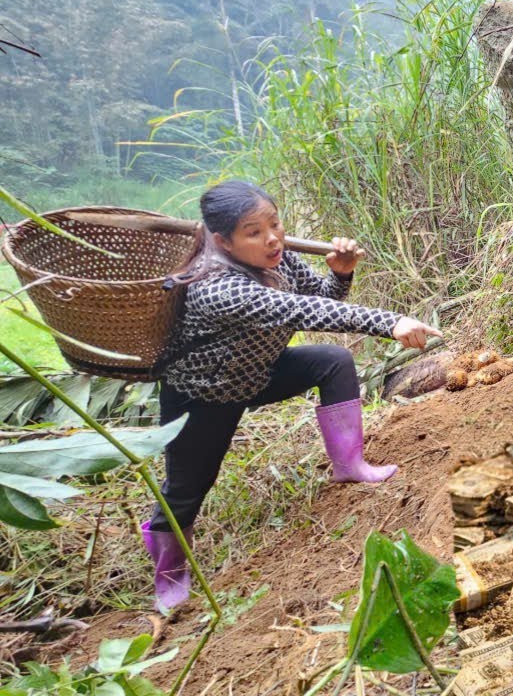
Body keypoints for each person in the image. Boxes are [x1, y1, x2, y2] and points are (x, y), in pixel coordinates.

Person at [140, 180, 440, 613]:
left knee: (333, 361)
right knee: (188, 487)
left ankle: (350, 465)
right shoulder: (215, 286)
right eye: (254, 231)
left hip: (259, 372)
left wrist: (341, 272)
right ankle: (170, 574)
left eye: (275, 224)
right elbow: (305, 311)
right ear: (223, 241)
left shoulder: (280, 260)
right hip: (205, 396)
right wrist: (390, 321)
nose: (273, 238)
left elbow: (320, 296)